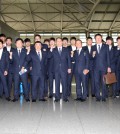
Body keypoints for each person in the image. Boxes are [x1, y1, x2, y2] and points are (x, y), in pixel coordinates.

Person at [91, 34, 111, 102]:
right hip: (95, 68)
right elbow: (91, 58)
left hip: (103, 67)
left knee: (103, 82)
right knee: (96, 82)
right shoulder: (93, 47)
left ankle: (104, 96)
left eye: (99, 38)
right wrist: (93, 55)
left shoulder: (106, 46)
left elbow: (108, 57)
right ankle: (98, 97)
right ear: (95, 39)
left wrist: (108, 66)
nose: (98, 39)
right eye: (96, 38)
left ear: (101, 38)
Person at [51, 37, 71, 102]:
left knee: (64, 83)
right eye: (58, 41)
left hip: (64, 69)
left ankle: (65, 97)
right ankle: (57, 97)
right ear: (56, 43)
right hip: (56, 70)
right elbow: (51, 59)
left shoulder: (66, 49)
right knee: (57, 83)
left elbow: (69, 59)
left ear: (62, 42)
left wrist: (69, 68)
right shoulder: (53, 50)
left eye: (60, 41)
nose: (59, 42)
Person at [9, 38, 30, 102]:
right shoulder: (13, 51)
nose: (19, 44)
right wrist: (10, 57)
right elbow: (11, 62)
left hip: (23, 70)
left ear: (22, 44)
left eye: (20, 43)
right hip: (15, 71)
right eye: (17, 43)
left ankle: (26, 97)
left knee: (25, 84)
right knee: (16, 84)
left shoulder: (25, 51)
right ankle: (16, 97)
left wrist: (23, 66)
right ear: (15, 44)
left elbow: (27, 60)